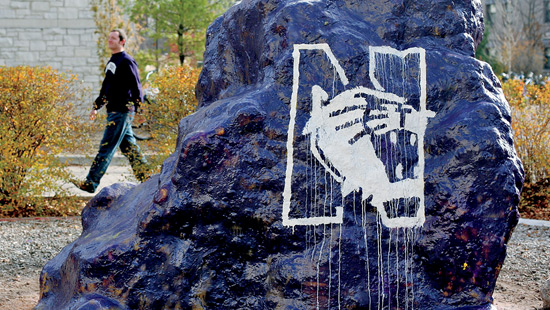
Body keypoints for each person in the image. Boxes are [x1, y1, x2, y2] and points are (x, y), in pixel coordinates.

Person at [72, 29, 149, 193]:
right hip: (114, 110)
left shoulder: (127, 61)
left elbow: (136, 86)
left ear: (122, 41)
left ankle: (90, 182)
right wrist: (96, 106)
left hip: (122, 111)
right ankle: (147, 178)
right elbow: (107, 87)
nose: (110, 40)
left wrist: (139, 109)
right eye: (109, 38)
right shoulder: (113, 61)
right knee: (130, 148)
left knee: (106, 147)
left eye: (113, 38)